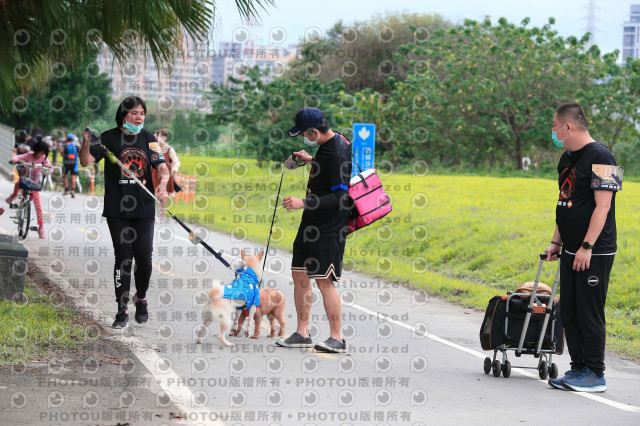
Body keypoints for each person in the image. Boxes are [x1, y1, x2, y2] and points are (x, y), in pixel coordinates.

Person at [545, 103, 619, 393]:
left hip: (595, 251)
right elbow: (565, 203)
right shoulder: (566, 158)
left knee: (589, 311)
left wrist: (587, 246)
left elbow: (603, 206)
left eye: (555, 125)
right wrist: (556, 241)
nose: (553, 130)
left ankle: (595, 373)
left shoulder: (602, 156)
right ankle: (578, 370)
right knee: (570, 311)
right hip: (571, 248)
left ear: (569, 126)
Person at [79, 96, 170, 329]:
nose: (138, 117)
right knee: (124, 258)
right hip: (117, 209)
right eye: (134, 113)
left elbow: (160, 165)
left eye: (142, 113)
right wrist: (86, 142)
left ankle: (141, 298)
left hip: (144, 208)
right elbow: (86, 162)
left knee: (144, 257)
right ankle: (122, 310)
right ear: (123, 114)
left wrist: (162, 183)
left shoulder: (149, 138)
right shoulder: (108, 138)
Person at [275, 107, 352, 354]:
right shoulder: (327, 146)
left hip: (329, 226)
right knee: (299, 274)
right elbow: (327, 170)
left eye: (305, 134)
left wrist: (303, 202)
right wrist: (311, 160)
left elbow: (341, 196)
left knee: (324, 280)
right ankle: (302, 332)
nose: (304, 138)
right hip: (311, 223)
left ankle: (337, 338)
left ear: (314, 131)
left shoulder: (338, 150)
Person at [5, 140, 53, 238]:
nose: (40, 154)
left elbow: (51, 168)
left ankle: (41, 227)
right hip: (24, 180)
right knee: (18, 184)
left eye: (43, 153)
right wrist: (14, 159)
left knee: (38, 205)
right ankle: (14, 195)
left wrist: (48, 167)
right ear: (35, 150)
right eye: (39, 151)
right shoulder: (28, 155)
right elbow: (17, 157)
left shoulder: (44, 158)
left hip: (34, 184)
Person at [151, 128, 181, 221]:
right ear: (157, 135)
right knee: (152, 193)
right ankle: (153, 214)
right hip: (153, 174)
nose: (162, 138)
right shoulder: (152, 147)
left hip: (165, 175)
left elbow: (176, 162)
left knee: (163, 196)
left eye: (164, 136)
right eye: (160, 136)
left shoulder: (168, 149)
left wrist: (174, 172)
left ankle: (162, 215)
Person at [62, 133, 79, 197]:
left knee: (64, 176)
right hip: (74, 163)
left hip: (66, 163)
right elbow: (78, 154)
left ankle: (66, 189)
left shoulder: (64, 145)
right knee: (73, 176)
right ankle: (73, 190)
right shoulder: (76, 145)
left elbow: (62, 153)